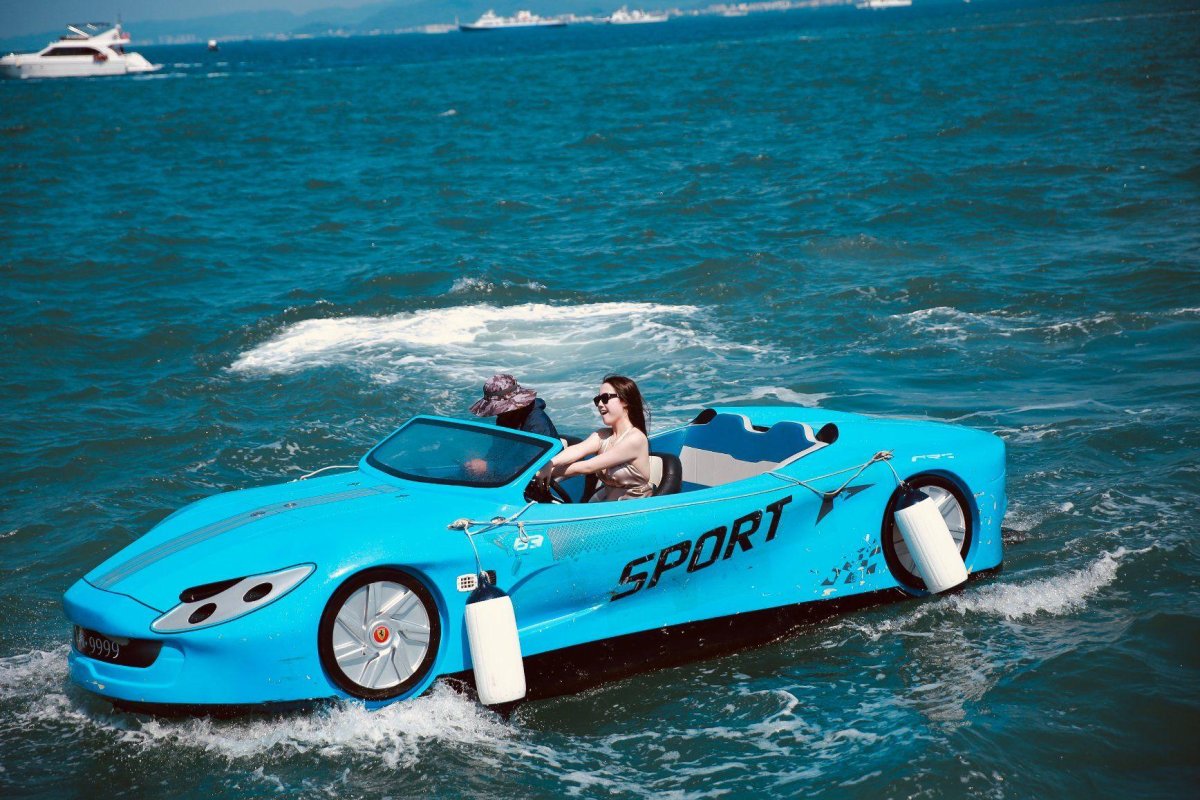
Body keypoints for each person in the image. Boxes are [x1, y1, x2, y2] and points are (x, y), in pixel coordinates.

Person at [535, 375, 653, 502]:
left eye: (605, 398)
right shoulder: (603, 435)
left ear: (625, 401)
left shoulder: (635, 439)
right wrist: (549, 463)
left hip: (634, 505)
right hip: (607, 501)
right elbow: (577, 450)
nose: (600, 404)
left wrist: (549, 471)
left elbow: (588, 466)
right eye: (598, 400)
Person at [466, 374, 558, 477]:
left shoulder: (537, 423)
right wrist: (482, 463)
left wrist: (488, 467)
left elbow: (529, 464)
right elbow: (499, 449)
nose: (497, 414)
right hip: (509, 467)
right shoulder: (505, 417)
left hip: (543, 472)